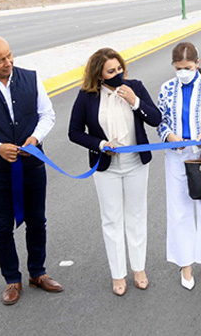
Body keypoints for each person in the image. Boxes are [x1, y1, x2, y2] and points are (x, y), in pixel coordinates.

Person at [0, 35, 63, 305]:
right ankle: (12, 280)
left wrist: (35, 138)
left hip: (32, 164)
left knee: (37, 220)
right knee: (2, 226)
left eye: (9, 55)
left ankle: (37, 273)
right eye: (0, 59)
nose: (8, 62)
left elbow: (47, 114)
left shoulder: (31, 78)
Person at [68, 48, 160, 295]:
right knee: (111, 219)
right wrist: (100, 145)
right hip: (106, 167)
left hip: (136, 164)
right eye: (111, 71)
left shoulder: (135, 87)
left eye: (119, 69)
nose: (117, 74)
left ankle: (138, 268)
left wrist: (135, 101)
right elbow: (74, 132)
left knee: (137, 215)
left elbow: (155, 118)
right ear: (99, 74)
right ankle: (117, 274)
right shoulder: (87, 96)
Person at [157, 42, 201, 290]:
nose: (182, 72)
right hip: (176, 155)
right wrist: (169, 136)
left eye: (187, 67)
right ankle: (185, 264)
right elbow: (161, 121)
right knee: (179, 210)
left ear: (197, 63)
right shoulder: (166, 89)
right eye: (178, 68)